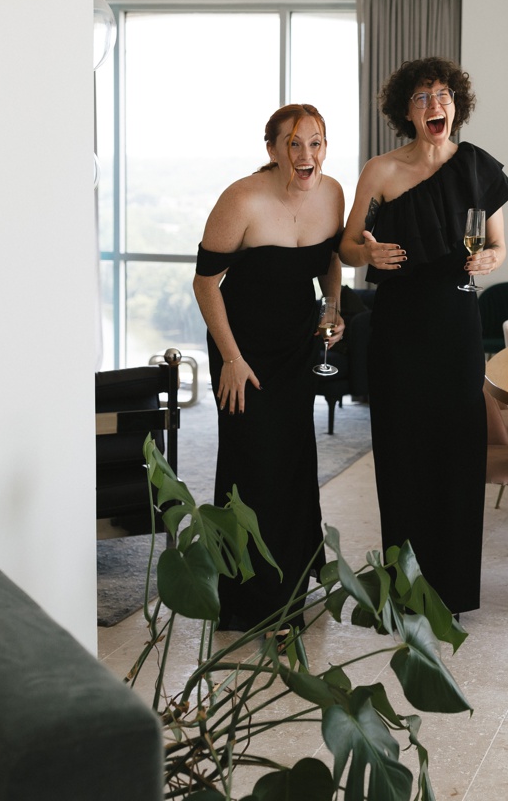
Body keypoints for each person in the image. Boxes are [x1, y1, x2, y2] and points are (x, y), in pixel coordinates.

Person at [339, 57, 508, 614]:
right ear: (406, 113)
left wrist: (490, 258)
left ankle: (455, 589)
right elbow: (345, 246)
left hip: (457, 325)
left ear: (456, 104)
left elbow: (498, 247)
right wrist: (366, 252)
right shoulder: (381, 171)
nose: (434, 104)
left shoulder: (480, 168)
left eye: (442, 94)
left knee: (458, 454)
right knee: (402, 455)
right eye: (421, 98)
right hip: (398, 329)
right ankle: (403, 589)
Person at [193, 103, 345, 632]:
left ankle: (293, 585)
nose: (307, 155)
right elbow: (205, 283)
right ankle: (249, 600)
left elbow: (331, 258)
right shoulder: (243, 198)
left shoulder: (332, 193)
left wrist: (332, 307)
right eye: (295, 143)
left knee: (293, 459)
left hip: (296, 344)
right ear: (273, 149)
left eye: (317, 142)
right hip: (243, 348)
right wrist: (231, 359)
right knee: (253, 461)